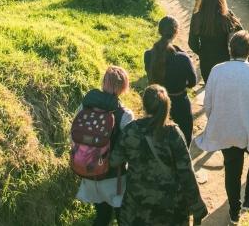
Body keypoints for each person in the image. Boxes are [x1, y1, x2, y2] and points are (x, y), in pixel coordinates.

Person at [196, 31, 249, 224]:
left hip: (227, 130)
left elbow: (208, 104)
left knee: (232, 169)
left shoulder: (217, 70)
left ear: (229, 50)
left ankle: (234, 211)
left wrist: (218, 119)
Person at [111, 85, 206, 226]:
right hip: (171, 208)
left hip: (137, 206)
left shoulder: (131, 130)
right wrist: (197, 207)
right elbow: (186, 172)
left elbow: (114, 161)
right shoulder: (173, 133)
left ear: (144, 105)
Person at [74, 66, 134, 226]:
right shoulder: (125, 115)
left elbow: (73, 137)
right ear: (123, 88)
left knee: (102, 216)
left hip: (89, 171)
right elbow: (132, 146)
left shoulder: (84, 107)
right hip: (115, 177)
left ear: (103, 83)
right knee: (123, 217)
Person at [144, 17, 198, 146]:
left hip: (156, 103)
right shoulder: (182, 58)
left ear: (159, 31)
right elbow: (192, 82)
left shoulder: (148, 55)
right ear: (176, 32)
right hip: (180, 103)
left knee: (158, 141)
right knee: (184, 140)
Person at [189, 0, 242, 83]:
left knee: (210, 89)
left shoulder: (197, 17)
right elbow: (242, 34)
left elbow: (192, 43)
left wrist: (201, 52)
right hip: (225, 60)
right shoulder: (228, 15)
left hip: (206, 60)